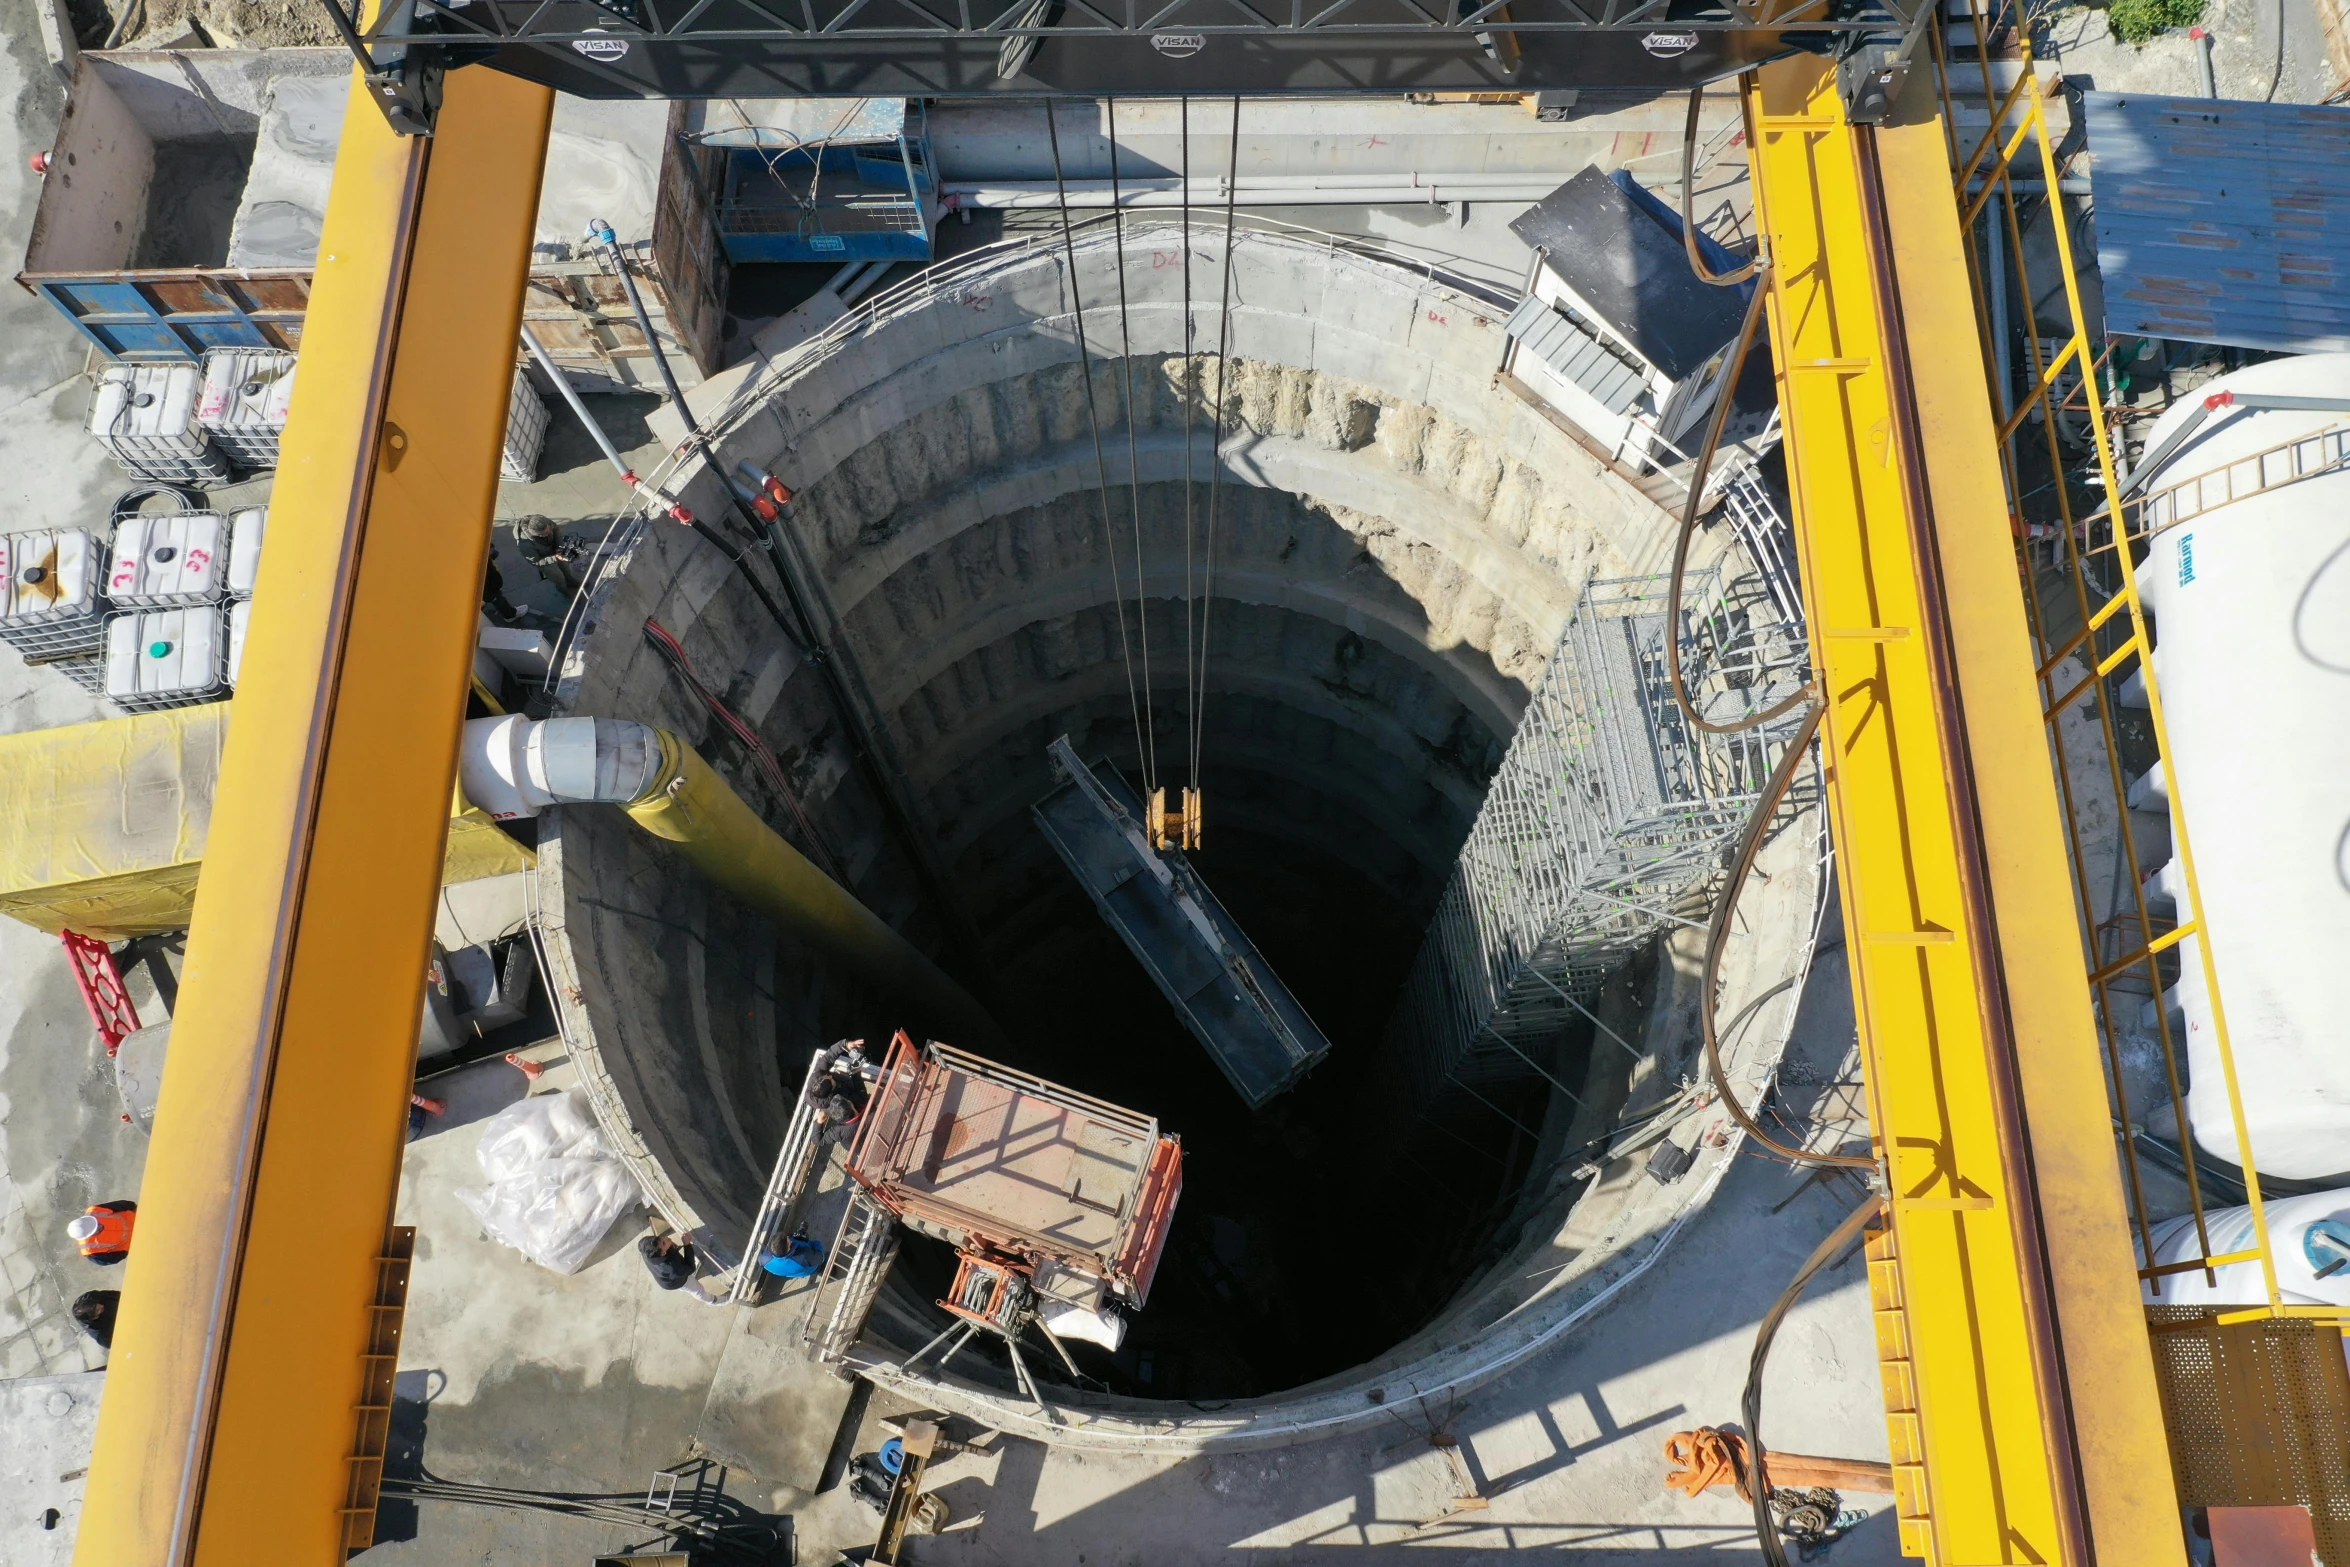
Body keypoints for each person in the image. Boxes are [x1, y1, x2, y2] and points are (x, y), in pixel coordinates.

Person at [513, 515, 586, 599]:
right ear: (538, 535)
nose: (549, 532)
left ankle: (570, 581)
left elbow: (555, 529)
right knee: (558, 578)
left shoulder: (543, 522)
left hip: (556, 551)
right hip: (544, 561)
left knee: (565, 568)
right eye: (546, 533)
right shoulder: (525, 545)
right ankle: (564, 591)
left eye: (549, 530)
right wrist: (554, 558)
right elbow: (536, 561)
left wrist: (559, 546)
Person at [68, 1200, 135, 1265]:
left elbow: (123, 1205)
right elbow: (114, 1258)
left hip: (136, 1218)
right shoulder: (91, 1252)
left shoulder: (95, 1210)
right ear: (88, 1236)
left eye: (97, 1223)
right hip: (134, 1243)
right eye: (97, 1230)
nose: (101, 1226)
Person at [760, 1233, 826, 1280]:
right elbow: (820, 1257)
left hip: (795, 1272)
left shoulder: (764, 1259)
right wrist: (816, 1243)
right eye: (789, 1242)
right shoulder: (803, 1256)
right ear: (788, 1249)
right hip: (810, 1267)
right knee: (822, 1266)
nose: (790, 1239)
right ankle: (830, 1272)